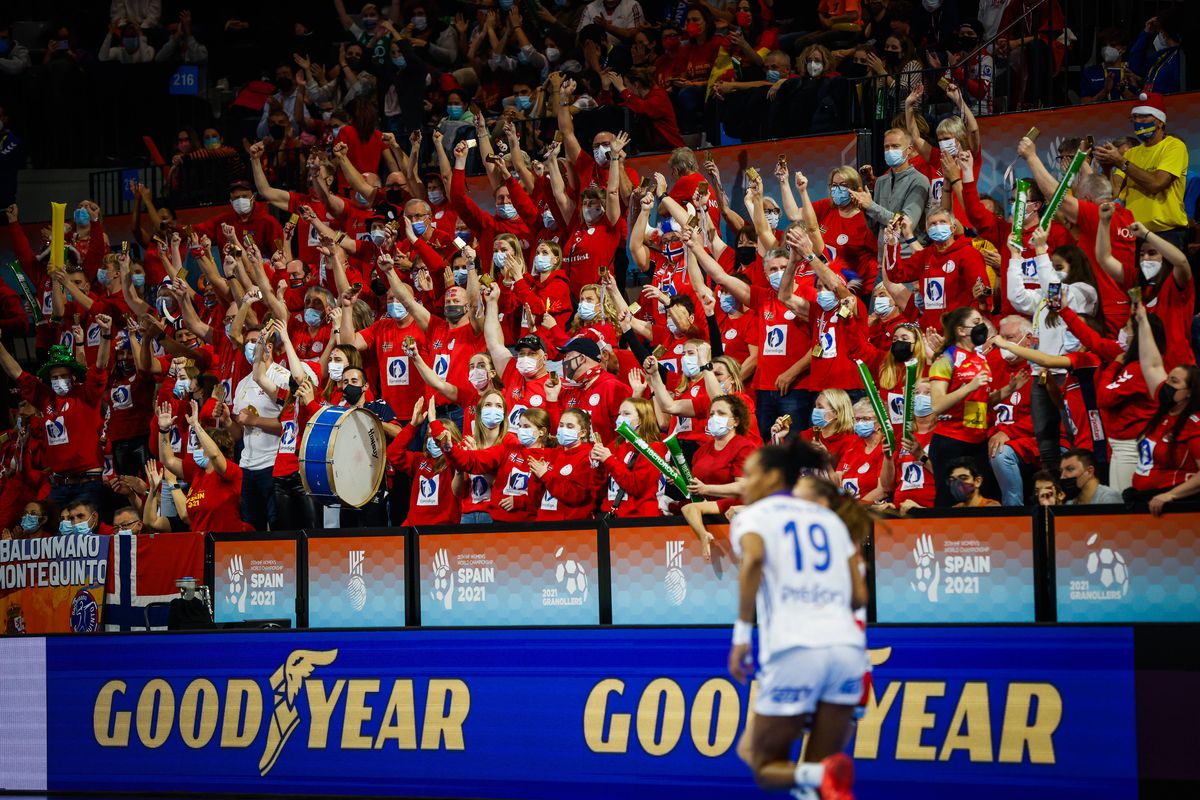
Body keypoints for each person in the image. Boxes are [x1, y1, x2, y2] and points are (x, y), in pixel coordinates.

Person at [728, 439, 866, 800]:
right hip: (848, 652)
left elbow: (754, 560)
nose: (743, 484)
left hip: (796, 650)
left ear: (773, 477)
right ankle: (820, 774)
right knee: (818, 790)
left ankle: (817, 773)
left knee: (764, 764)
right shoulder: (830, 519)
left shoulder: (753, 517)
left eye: (748, 475)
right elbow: (859, 597)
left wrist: (742, 635)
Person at [1095, 93, 1189, 252]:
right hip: (1136, 233)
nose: (1138, 122)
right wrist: (1107, 168)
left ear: (1159, 121)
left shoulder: (1174, 147)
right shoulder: (1132, 154)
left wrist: (1120, 161)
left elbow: (1156, 184)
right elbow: (1114, 193)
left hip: (1168, 234)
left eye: (1144, 117)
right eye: (1135, 118)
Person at [1130, 303, 1200, 515]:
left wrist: (1171, 495)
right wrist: (1142, 320)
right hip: (1146, 501)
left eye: (1174, 382)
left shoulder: (1193, 424)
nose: (1167, 385)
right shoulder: (1165, 407)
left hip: (1175, 509)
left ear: (1189, 392)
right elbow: (1152, 365)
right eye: (1168, 379)